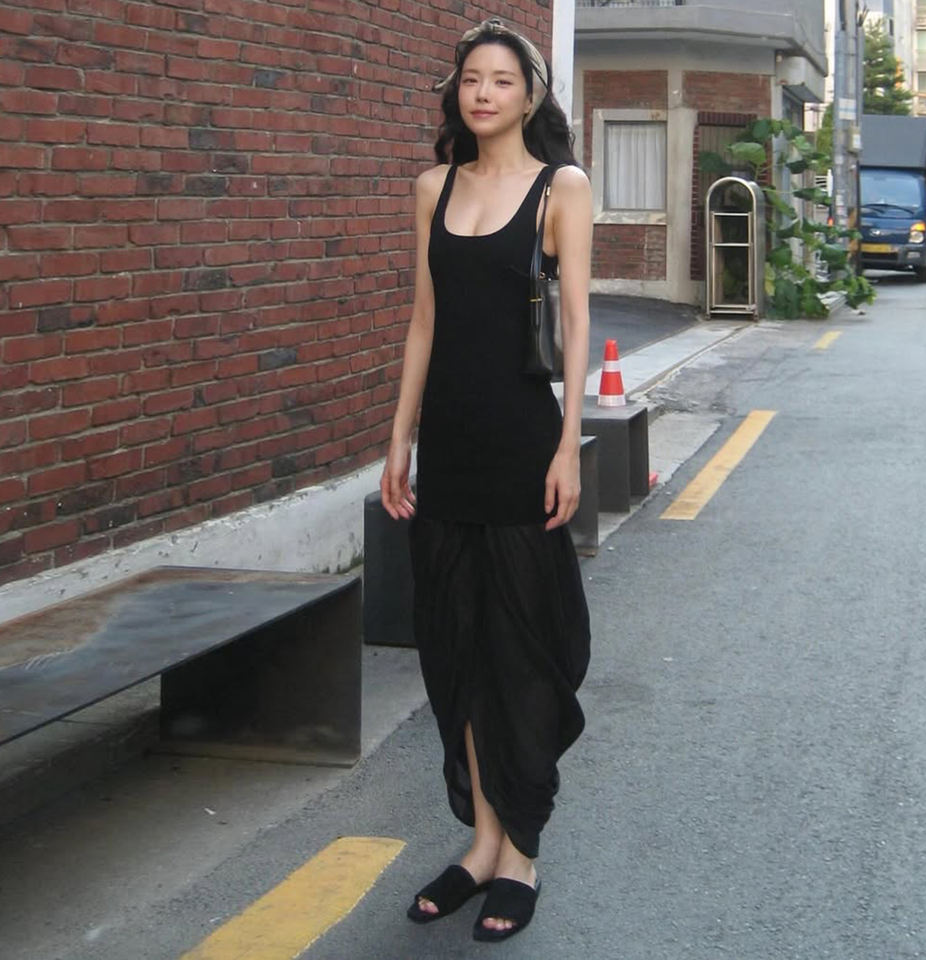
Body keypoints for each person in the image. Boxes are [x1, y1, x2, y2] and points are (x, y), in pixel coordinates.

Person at [380, 17, 592, 943]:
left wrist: (570, 444)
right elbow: (423, 322)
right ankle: (482, 845)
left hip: (521, 443)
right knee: (456, 646)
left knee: (521, 646)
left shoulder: (561, 188)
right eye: (471, 78)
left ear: (529, 95)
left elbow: (576, 323)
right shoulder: (432, 187)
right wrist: (398, 439)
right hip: (451, 448)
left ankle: (522, 853)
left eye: (501, 80)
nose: (483, 93)